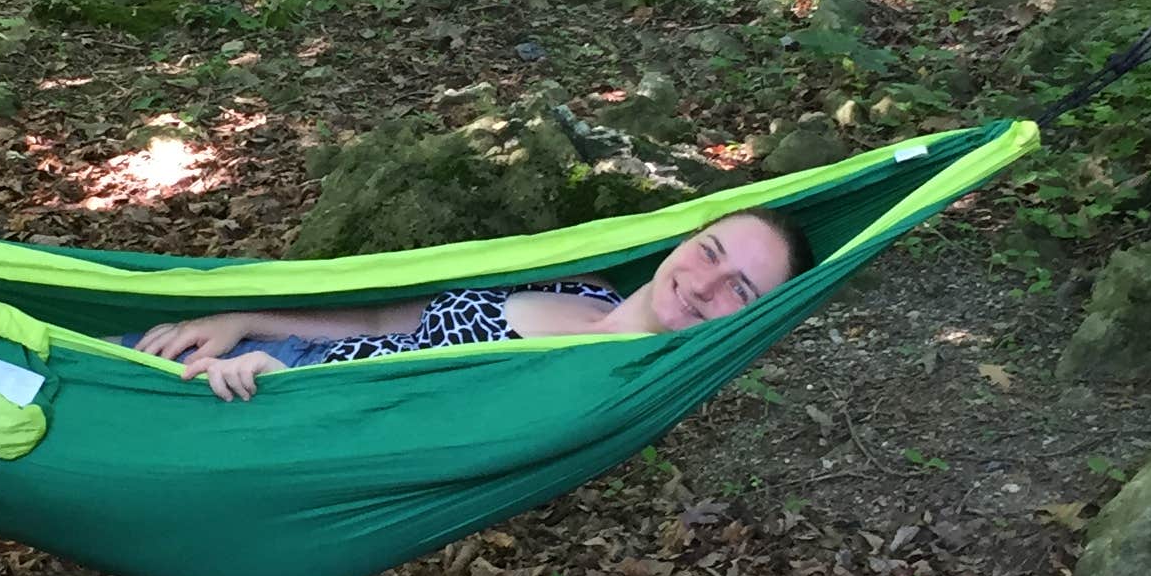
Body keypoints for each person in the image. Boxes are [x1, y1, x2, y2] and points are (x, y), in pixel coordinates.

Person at [132, 212, 806, 400]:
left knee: (48, 407)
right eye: (712, 251)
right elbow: (380, 321)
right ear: (688, 235)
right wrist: (244, 319)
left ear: (750, 320)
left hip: (268, 400)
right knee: (58, 348)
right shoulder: (585, 287)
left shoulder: (610, 382)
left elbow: (422, 422)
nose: (705, 284)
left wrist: (300, 393)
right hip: (273, 354)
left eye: (741, 292)